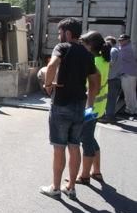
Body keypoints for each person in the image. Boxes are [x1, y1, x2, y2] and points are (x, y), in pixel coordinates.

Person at [40, 18, 99, 200]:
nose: (59, 36)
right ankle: (71, 187)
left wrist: (48, 85)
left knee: (59, 148)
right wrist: (90, 99)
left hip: (61, 104)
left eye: (60, 33)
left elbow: (51, 65)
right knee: (74, 147)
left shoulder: (62, 48)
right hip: (79, 106)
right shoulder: (87, 53)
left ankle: (56, 187)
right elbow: (96, 78)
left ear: (67, 33)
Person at [74, 31, 111, 185]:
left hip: (91, 106)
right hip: (99, 106)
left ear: (90, 46)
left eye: (83, 44)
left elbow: (91, 88)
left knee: (86, 139)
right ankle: (96, 172)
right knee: (90, 137)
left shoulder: (93, 63)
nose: (82, 47)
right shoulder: (103, 59)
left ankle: (84, 176)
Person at [103, 36, 122, 122]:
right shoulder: (118, 50)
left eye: (107, 42)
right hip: (116, 78)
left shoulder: (113, 51)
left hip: (112, 78)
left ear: (110, 42)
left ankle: (108, 117)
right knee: (112, 98)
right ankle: (109, 116)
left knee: (110, 99)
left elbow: (110, 63)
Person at [117, 34, 137, 116]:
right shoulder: (125, 48)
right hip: (128, 73)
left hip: (129, 74)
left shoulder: (127, 49)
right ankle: (130, 109)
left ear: (128, 40)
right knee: (128, 92)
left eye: (122, 40)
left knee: (130, 93)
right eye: (120, 40)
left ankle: (132, 110)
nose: (120, 41)